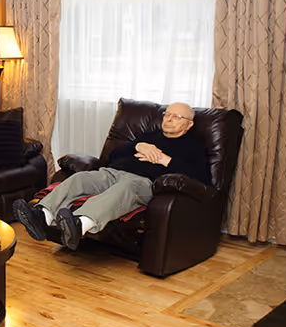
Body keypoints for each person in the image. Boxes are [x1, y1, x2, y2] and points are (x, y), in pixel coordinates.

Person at [14, 102, 210, 250]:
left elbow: (201, 179)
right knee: (79, 178)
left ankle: (80, 224)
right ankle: (42, 216)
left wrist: (166, 161)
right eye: (167, 114)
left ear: (189, 124)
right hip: (111, 173)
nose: (168, 119)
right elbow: (114, 155)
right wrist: (137, 145)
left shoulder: (193, 148)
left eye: (176, 117)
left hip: (142, 184)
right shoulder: (149, 136)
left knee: (125, 189)